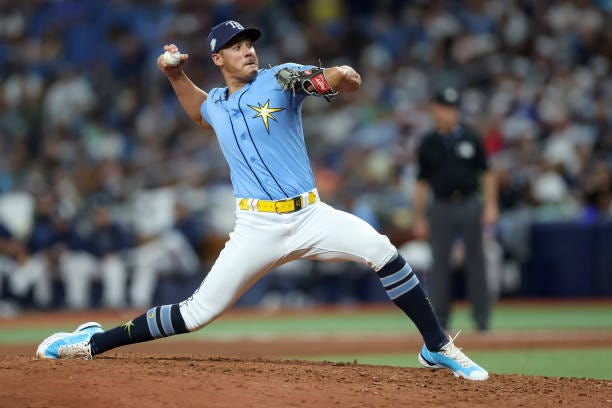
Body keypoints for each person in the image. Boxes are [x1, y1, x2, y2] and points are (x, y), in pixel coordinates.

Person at [36, 20, 488, 381]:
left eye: (249, 42)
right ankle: (93, 342)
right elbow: (198, 111)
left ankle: (437, 346)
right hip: (256, 228)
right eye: (235, 45)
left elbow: (318, 81)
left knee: (384, 251)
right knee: (196, 314)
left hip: (311, 215)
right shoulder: (216, 102)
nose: (248, 49)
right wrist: (176, 75)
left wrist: (340, 77)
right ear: (217, 58)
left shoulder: (278, 78)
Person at [412, 87, 499, 332]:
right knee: (440, 264)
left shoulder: (471, 137)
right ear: (434, 109)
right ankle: (441, 322)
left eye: (452, 108)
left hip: (470, 203)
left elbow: (487, 173)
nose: (448, 113)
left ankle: (482, 321)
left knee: (476, 262)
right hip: (440, 205)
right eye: (443, 107)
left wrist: (491, 205)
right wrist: (418, 217)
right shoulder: (428, 143)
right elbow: (421, 183)